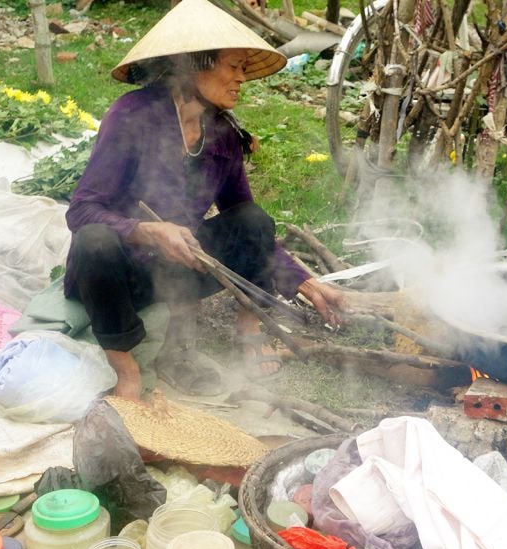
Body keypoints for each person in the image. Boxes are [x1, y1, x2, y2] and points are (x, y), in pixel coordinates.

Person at [63, 0, 347, 402]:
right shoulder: (132, 116)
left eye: (244, 70)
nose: (241, 79)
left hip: (174, 273)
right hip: (116, 275)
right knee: (94, 238)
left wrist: (304, 281)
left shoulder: (224, 135)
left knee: (253, 220)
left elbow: (247, 226)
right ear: (194, 65)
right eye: (233, 67)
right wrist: (146, 231)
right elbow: (82, 210)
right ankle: (126, 368)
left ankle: (242, 331)